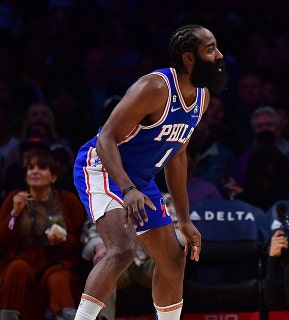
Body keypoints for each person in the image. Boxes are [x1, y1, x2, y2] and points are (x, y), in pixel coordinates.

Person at [72, 24, 227, 320]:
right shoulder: (154, 87)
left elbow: (177, 156)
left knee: (172, 259)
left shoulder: (202, 98)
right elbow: (106, 139)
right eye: (210, 49)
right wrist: (128, 190)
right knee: (122, 249)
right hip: (102, 167)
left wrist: (183, 219)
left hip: (139, 181)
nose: (219, 56)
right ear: (188, 58)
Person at [0, 149, 87, 320]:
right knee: (17, 268)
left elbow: (81, 242)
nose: (35, 171)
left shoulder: (68, 201)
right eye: (31, 168)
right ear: (26, 175)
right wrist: (14, 214)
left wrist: (64, 240)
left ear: (54, 176)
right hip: (24, 260)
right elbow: (2, 241)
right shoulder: (14, 198)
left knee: (59, 279)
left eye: (42, 167)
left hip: (59, 262)